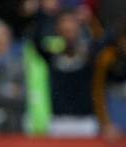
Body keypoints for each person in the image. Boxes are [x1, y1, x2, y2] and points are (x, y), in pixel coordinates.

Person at [32, 7, 101, 137]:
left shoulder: (88, 57)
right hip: (59, 122)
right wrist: (46, 15)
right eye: (64, 26)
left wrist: (91, 22)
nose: (68, 30)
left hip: (85, 121)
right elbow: (36, 41)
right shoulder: (53, 57)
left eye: (72, 26)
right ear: (58, 30)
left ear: (78, 28)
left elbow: (103, 43)